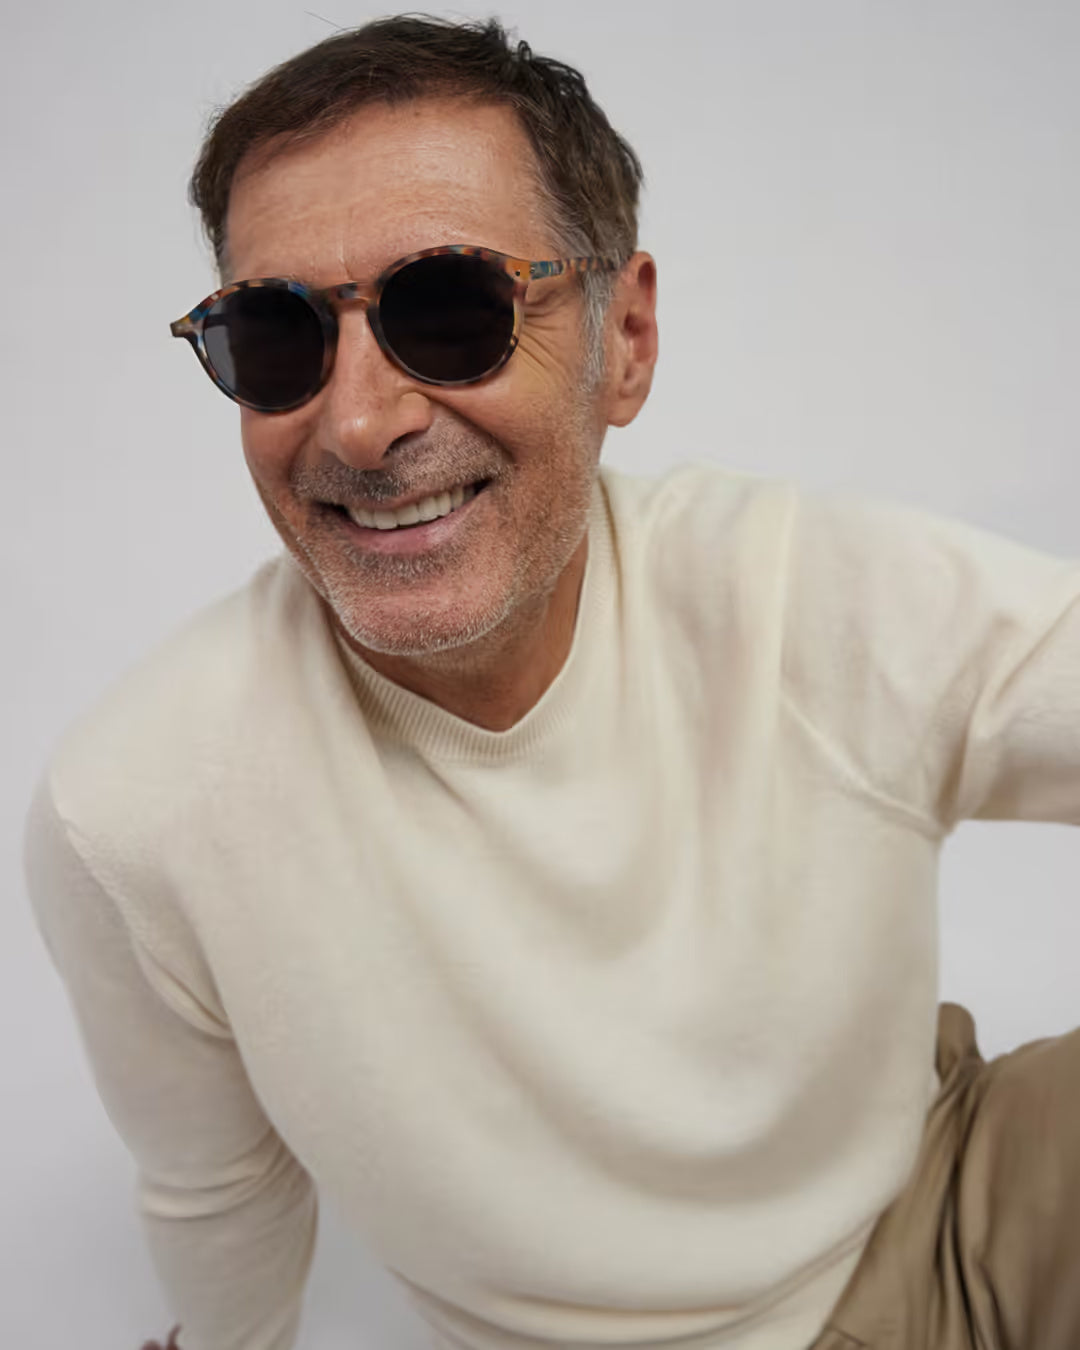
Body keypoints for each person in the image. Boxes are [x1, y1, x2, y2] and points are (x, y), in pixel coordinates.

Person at [22, 16, 1080, 1350]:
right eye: (276, 336)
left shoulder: (815, 596)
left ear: (622, 338)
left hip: (955, 1184)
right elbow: (217, 1187)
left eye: (450, 312)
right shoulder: (138, 814)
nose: (360, 423)